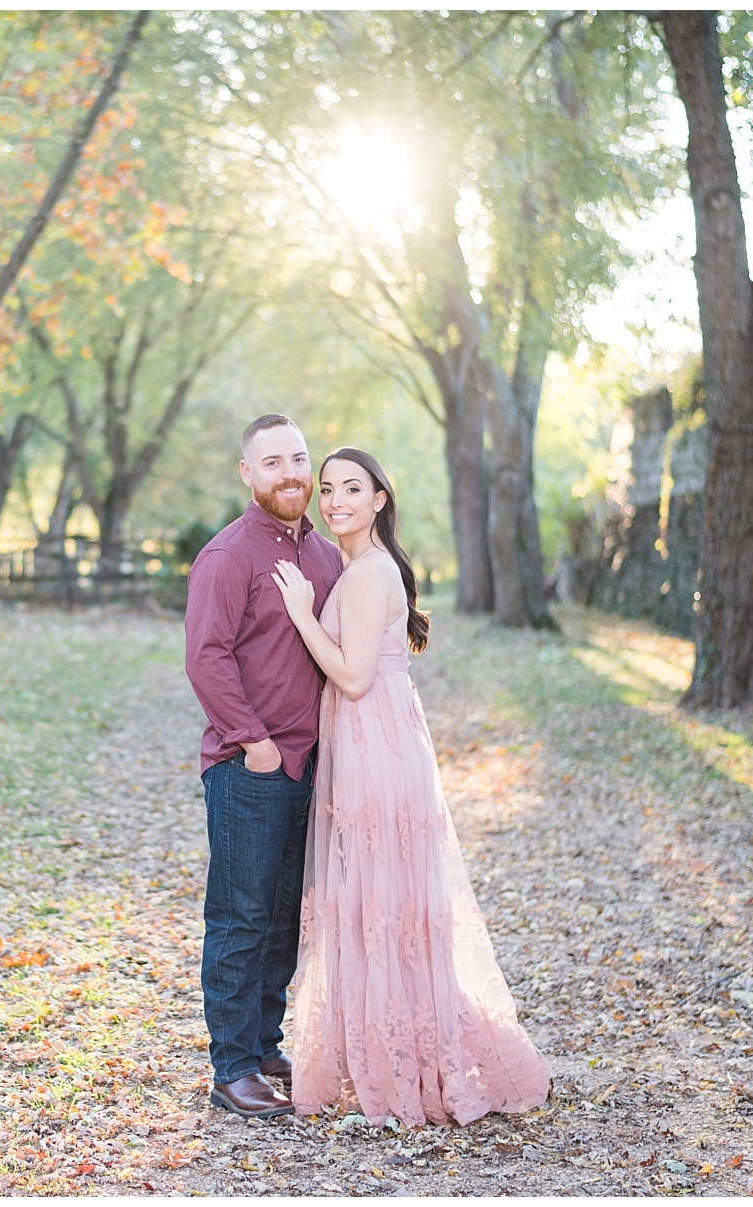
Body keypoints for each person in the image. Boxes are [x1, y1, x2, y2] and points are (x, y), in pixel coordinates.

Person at [270, 447, 550, 1125]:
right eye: (327, 489)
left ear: (379, 500)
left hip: (375, 747)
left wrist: (304, 613)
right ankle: (395, 1053)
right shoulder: (361, 566)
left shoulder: (368, 573)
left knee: (379, 901)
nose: (334, 501)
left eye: (351, 489)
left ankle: (403, 1068)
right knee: (378, 900)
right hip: (378, 740)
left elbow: (355, 676)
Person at [183, 414, 343, 1119]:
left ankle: (263, 1040)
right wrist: (254, 741)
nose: (289, 472)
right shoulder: (228, 556)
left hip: (313, 765)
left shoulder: (326, 558)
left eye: (299, 458)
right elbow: (206, 657)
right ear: (247, 474)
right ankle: (232, 1067)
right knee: (241, 915)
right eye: (272, 461)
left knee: (284, 917)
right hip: (250, 766)